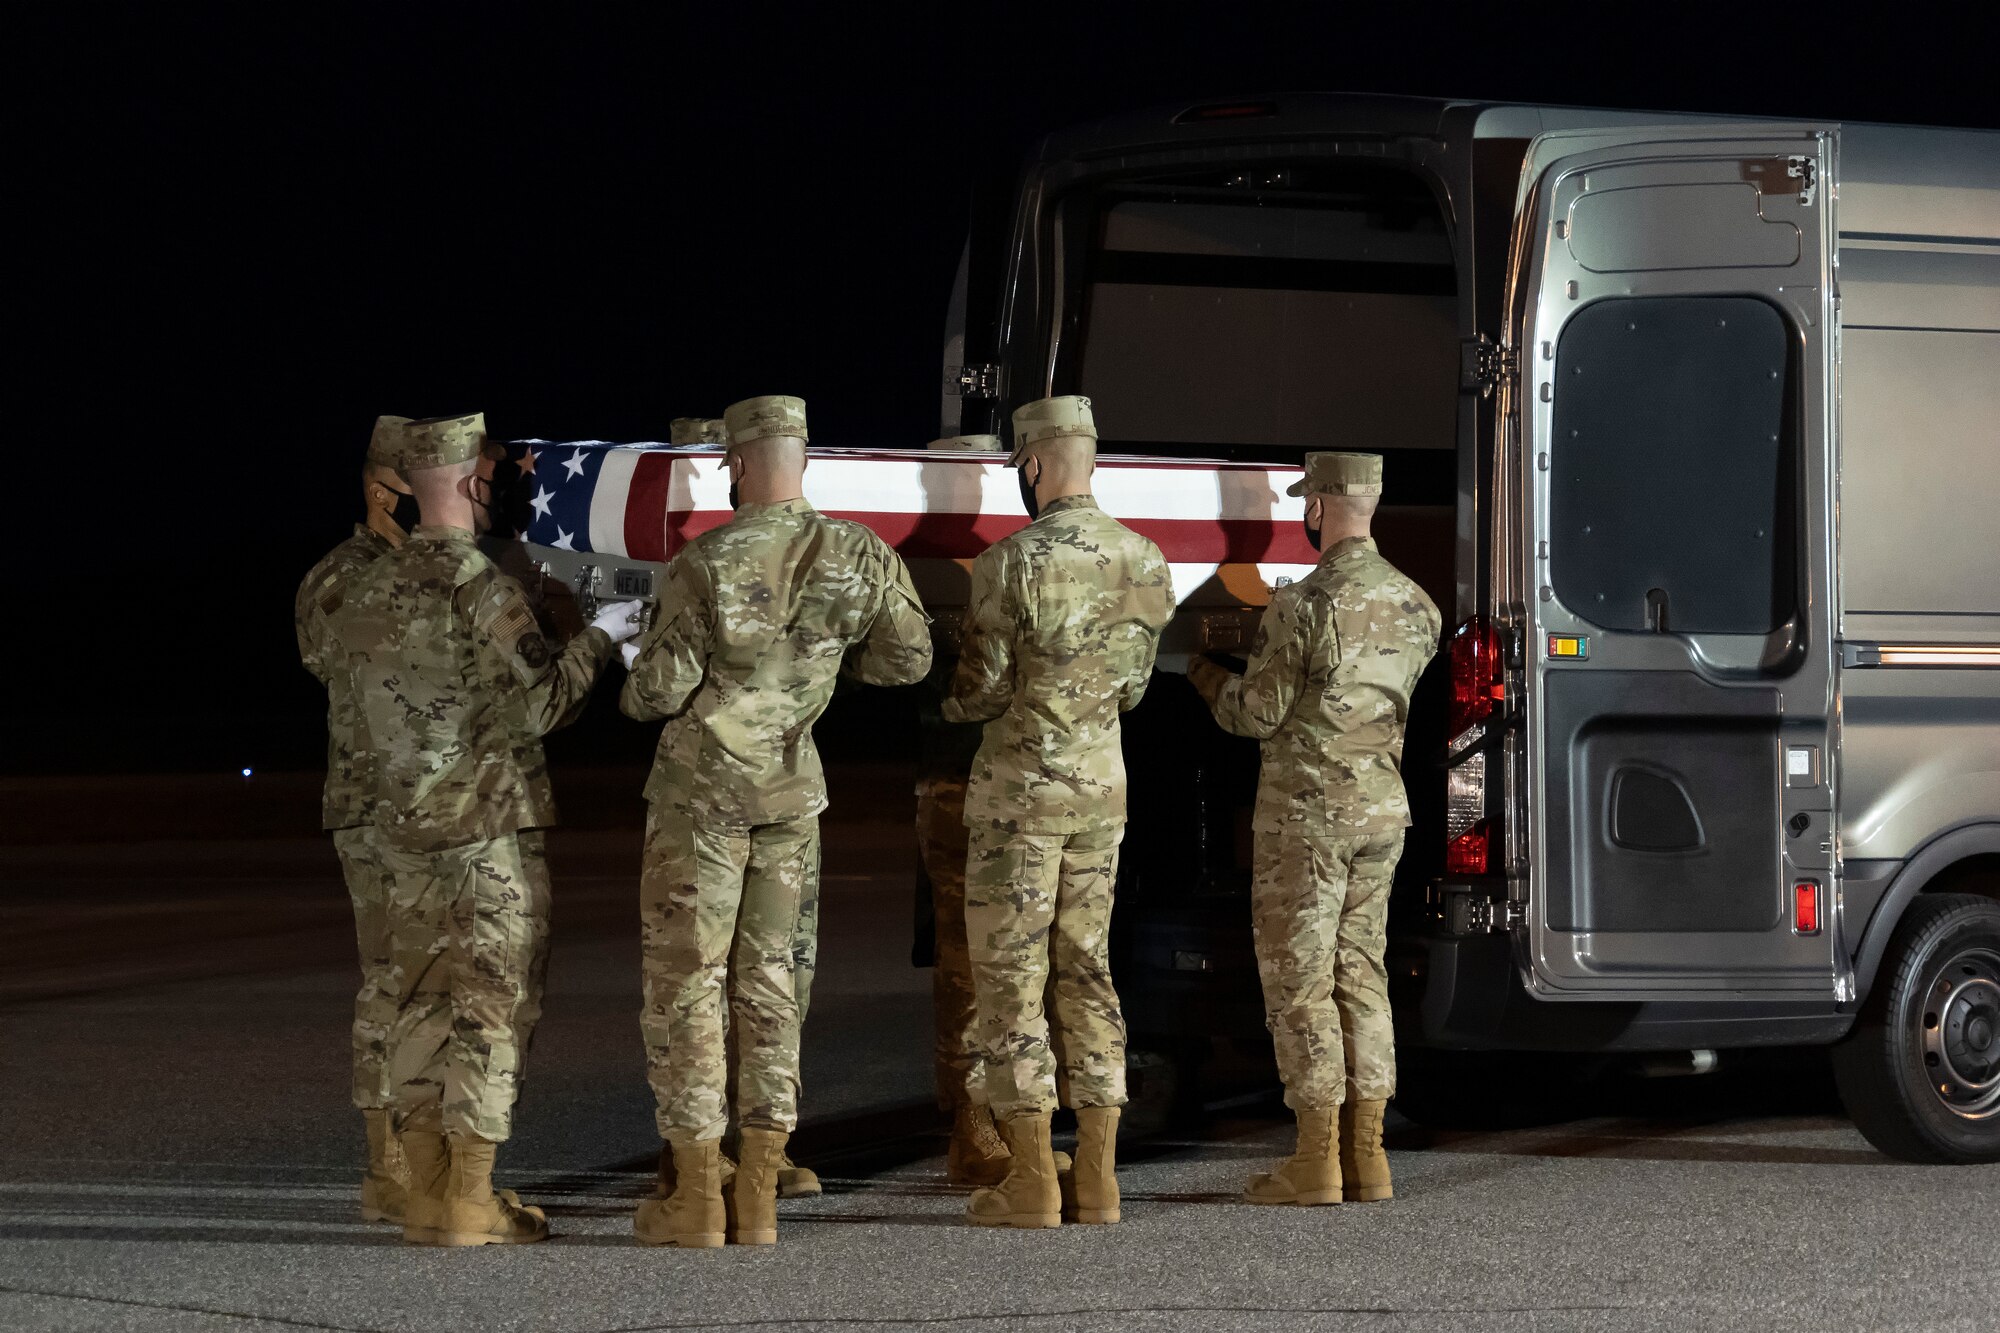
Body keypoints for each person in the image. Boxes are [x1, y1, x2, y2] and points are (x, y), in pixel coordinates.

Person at [621, 394, 932, 1248]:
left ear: (743, 463)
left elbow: (654, 694)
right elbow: (910, 657)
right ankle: (758, 1188)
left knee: (689, 985)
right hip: (792, 793)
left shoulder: (709, 561)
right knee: (773, 984)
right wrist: (822, 673)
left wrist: (629, 656)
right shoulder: (860, 554)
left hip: (701, 798)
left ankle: (696, 1193)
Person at [339, 411, 644, 1246]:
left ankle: (430, 1192)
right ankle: (470, 1197)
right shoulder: (479, 585)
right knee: (489, 1008)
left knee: (414, 1006)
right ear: (473, 485)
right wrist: (601, 639)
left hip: (400, 833)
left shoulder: (362, 589)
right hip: (482, 831)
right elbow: (542, 702)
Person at [941, 395, 1175, 1229]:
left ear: (1034, 464)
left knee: (1012, 980)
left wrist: (948, 694)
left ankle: (1034, 1176)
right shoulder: (1147, 560)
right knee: (1087, 970)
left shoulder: (1011, 564)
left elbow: (981, 692)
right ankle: (1101, 1177)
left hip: (1020, 801)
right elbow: (1138, 687)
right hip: (1100, 795)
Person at [1187, 451, 1441, 1206]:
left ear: (1320, 508)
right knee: (1362, 976)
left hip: (1307, 821)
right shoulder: (1416, 605)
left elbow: (1254, 713)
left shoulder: (1304, 605)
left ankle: (1316, 1157)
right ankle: (1370, 1155)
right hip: (1380, 814)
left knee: (1300, 982)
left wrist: (1202, 671)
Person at [292, 413, 413, 1223]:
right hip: (378, 804)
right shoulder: (341, 577)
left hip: (436, 804)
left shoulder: (438, 571)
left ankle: (431, 1154)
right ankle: (389, 1160)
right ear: (380, 492)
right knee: (395, 981)